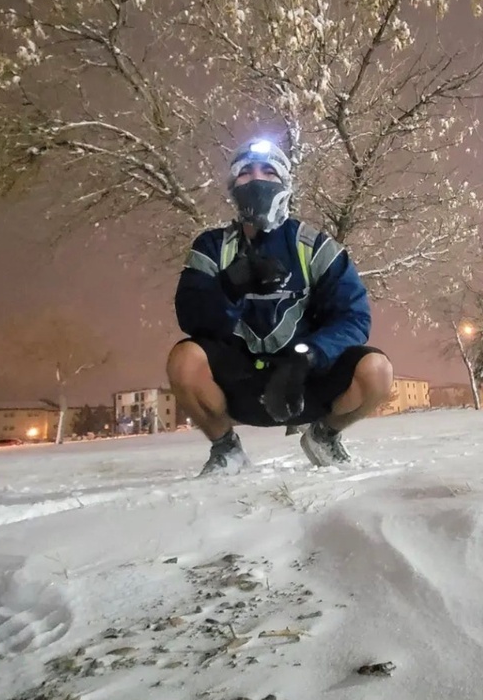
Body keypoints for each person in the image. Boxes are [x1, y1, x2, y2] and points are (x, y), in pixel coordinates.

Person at [166, 138, 394, 476]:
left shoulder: (315, 246)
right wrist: (230, 285)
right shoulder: (212, 247)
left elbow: (354, 317)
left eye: (268, 171)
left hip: (302, 383)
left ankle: (323, 436)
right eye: (245, 173)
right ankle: (226, 448)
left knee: (377, 371)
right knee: (183, 361)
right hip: (240, 382)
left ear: (284, 184)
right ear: (233, 186)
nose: (256, 180)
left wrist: (308, 356)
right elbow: (190, 316)